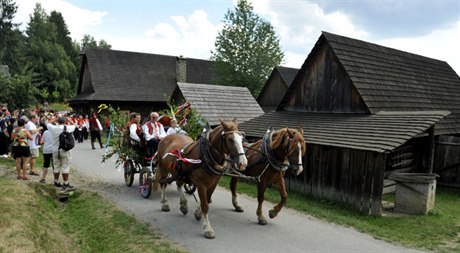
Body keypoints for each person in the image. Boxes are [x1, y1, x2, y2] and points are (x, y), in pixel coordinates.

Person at [46, 116, 76, 189]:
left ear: (57, 121)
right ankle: (65, 183)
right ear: (65, 122)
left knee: (56, 166)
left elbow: (47, 123)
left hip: (55, 149)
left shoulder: (53, 128)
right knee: (65, 166)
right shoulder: (68, 128)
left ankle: (56, 181)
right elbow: (75, 125)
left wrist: (54, 119)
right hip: (65, 150)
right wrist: (70, 120)